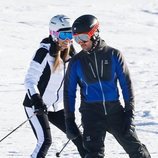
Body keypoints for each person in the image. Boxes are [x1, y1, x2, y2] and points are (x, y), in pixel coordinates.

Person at [64, 14, 151, 158]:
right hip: (90, 114)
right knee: (93, 154)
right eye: (77, 39)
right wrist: (69, 120)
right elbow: (69, 92)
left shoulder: (113, 55)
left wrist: (129, 113)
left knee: (137, 151)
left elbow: (126, 85)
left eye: (84, 37)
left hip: (114, 111)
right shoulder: (76, 62)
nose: (81, 43)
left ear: (95, 33)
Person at [23, 14, 86, 158]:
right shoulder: (43, 53)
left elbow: (81, 79)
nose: (68, 39)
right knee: (45, 141)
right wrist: (37, 101)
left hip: (56, 107)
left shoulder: (71, 54)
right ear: (53, 34)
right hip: (36, 106)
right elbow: (29, 80)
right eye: (64, 34)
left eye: (71, 34)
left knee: (80, 140)